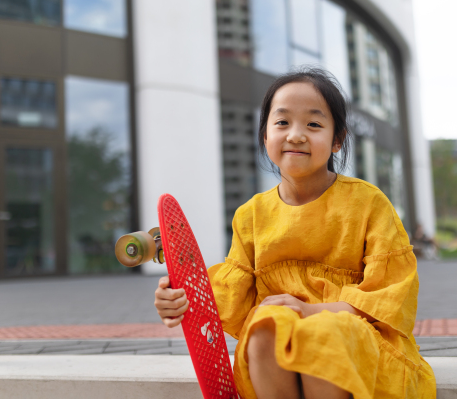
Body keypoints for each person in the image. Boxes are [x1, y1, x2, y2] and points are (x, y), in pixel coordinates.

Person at [154, 68, 436, 399]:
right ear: (265, 136)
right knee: (263, 327)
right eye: (282, 122)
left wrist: (309, 311)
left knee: (323, 333)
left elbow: (389, 297)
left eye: (313, 124)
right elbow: (229, 301)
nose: (296, 135)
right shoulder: (251, 216)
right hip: (282, 356)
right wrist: (179, 298)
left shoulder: (367, 203)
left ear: (337, 140)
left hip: (360, 345)